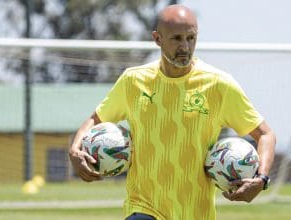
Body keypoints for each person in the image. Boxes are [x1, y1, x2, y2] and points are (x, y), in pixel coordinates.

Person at [69, 4, 276, 220]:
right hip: (143, 207)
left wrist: (261, 179)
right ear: (157, 39)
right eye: (176, 38)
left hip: (195, 213)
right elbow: (95, 120)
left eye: (191, 38)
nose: (185, 46)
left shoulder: (219, 85)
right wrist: (75, 149)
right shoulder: (133, 81)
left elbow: (265, 135)